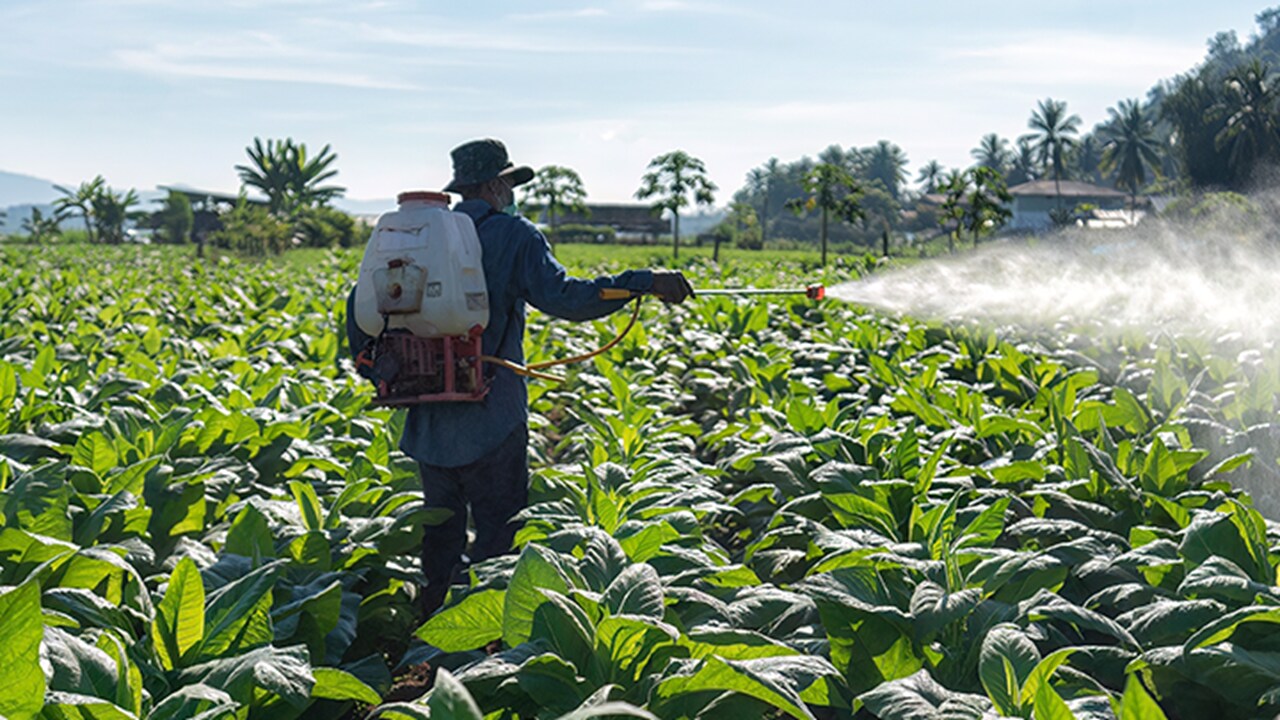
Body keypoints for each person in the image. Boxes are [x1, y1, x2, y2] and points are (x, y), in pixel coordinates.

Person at [346, 138, 693, 616]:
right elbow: (566, 298)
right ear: (493, 185)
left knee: (440, 531)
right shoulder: (513, 235)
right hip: (491, 411)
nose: (510, 193)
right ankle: (482, 633)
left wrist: (378, 368)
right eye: (508, 183)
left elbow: (360, 307)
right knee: (497, 532)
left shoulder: (411, 236)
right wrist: (643, 281)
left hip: (426, 409)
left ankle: (429, 627)